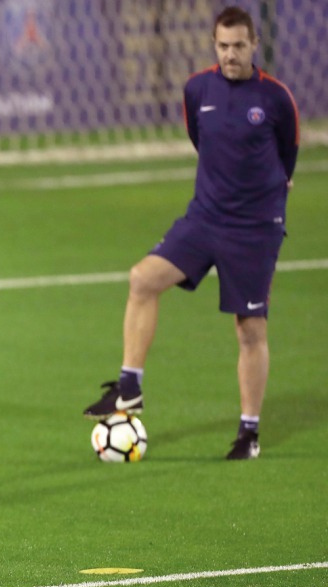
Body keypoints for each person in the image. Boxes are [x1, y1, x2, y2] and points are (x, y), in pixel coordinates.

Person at [82, 6, 299, 461]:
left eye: (239, 45)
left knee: (249, 330)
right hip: (204, 219)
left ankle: (249, 433)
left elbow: (288, 159)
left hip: (254, 231)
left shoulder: (276, 98)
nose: (230, 54)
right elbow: (203, 140)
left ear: (254, 45)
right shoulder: (198, 89)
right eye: (223, 45)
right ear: (214, 44)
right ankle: (129, 389)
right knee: (142, 278)